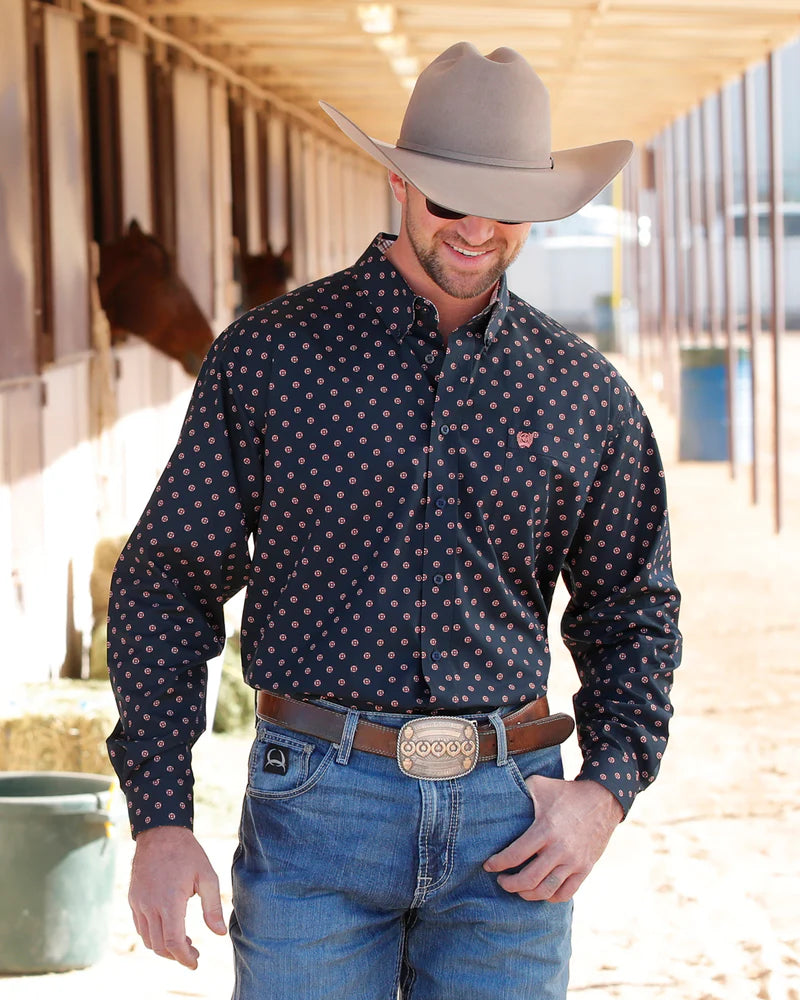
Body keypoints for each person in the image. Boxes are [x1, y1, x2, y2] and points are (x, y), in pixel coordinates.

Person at [107, 41, 681, 1000]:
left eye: (507, 205)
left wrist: (606, 792)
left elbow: (635, 611)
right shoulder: (270, 361)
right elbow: (168, 581)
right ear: (399, 182)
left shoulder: (588, 398)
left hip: (513, 830)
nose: (476, 228)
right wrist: (160, 817)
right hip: (315, 819)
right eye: (449, 197)